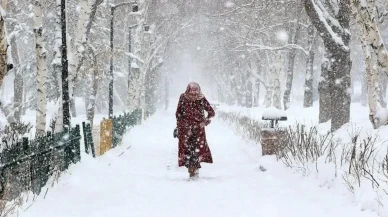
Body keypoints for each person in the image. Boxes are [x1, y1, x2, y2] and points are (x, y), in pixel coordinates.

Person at [175, 82, 215, 178]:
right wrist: (205, 121)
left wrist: (180, 124)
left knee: (188, 149)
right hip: (198, 129)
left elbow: (178, 113)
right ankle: (194, 169)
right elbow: (211, 112)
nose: (193, 94)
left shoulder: (184, 97)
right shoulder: (200, 98)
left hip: (186, 130)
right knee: (196, 149)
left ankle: (192, 169)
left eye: (194, 92)